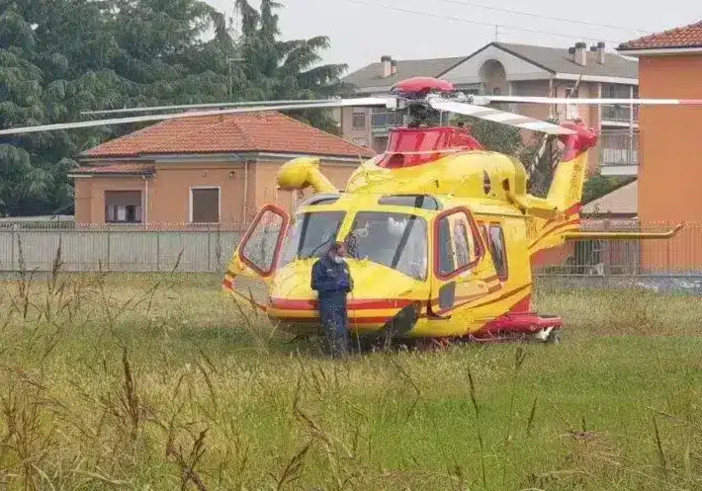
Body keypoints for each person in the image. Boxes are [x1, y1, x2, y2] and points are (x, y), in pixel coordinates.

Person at [311, 241, 353, 357]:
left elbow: (350, 280)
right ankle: (337, 356)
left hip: (341, 301)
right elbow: (315, 284)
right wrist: (334, 284)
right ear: (333, 251)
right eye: (340, 254)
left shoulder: (344, 265)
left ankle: (343, 355)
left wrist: (348, 285)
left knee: (343, 329)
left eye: (343, 255)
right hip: (328, 302)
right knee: (334, 329)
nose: (342, 257)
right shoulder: (320, 265)